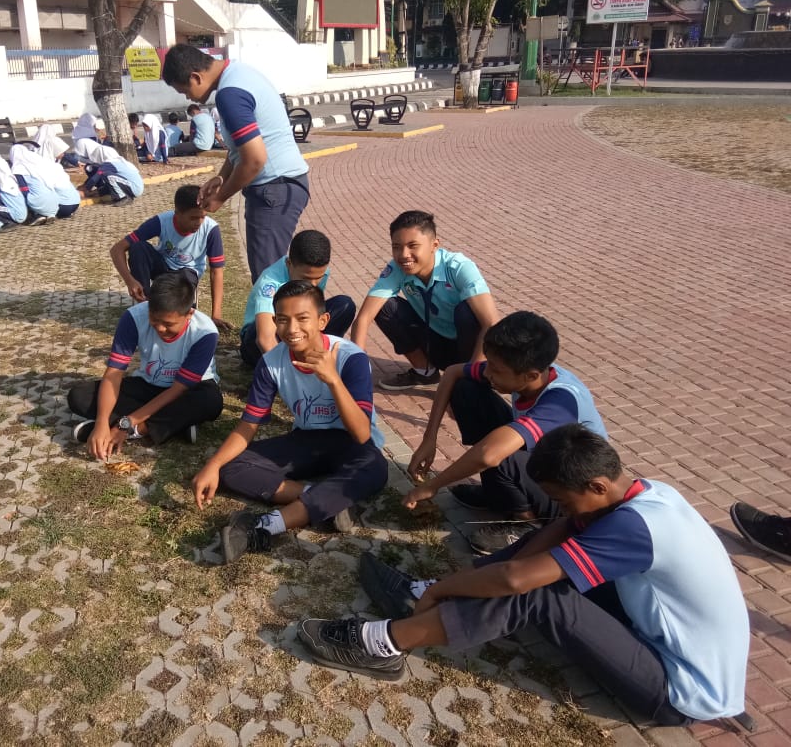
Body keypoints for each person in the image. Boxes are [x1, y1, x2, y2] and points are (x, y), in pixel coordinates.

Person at [297, 425, 750, 730]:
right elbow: (562, 528)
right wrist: (471, 584)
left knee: (536, 590)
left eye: (564, 499)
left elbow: (516, 581)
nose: (562, 509)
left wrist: (446, 586)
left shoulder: (635, 527)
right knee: (546, 553)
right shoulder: (645, 493)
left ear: (597, 485)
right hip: (657, 637)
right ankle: (424, 600)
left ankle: (385, 645)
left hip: (678, 689)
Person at [192, 280, 388, 564]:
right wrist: (212, 465)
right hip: (306, 439)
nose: (292, 328)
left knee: (375, 468)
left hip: (351, 443)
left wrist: (333, 380)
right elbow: (248, 425)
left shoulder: (351, 358)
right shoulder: (271, 362)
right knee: (232, 466)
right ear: (274, 322)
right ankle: (327, 500)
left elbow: (360, 434)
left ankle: (263, 526)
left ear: (322, 321)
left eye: (302, 318)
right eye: (283, 320)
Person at [405, 311, 607, 555]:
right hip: (543, 464)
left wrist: (433, 486)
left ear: (530, 376)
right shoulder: (523, 370)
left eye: (495, 369)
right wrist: (429, 439)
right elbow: (452, 373)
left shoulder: (561, 401)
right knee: (466, 389)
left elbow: (489, 454)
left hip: (571, 496)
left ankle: (526, 524)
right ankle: (498, 494)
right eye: (489, 364)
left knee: (500, 454)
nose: (487, 373)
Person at [162, 44, 311, 282]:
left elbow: (255, 159)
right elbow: (242, 148)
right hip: (282, 185)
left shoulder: (229, 94)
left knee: (267, 280)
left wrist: (221, 197)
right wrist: (221, 178)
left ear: (195, 77)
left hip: (274, 188)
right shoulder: (239, 73)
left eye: (185, 91)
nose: (188, 98)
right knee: (272, 275)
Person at [66, 272, 223, 456]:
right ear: (148, 306)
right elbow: (114, 374)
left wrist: (127, 424)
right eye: (154, 320)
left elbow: (178, 388)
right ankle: (176, 424)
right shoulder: (133, 318)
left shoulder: (205, 332)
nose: (161, 328)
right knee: (79, 396)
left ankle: (137, 430)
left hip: (187, 389)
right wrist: (101, 422)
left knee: (210, 401)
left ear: (189, 314)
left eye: (168, 324)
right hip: (149, 385)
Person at [351, 210, 500, 391]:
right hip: (434, 344)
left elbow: (491, 324)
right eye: (396, 246)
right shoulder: (397, 268)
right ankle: (425, 372)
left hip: (470, 348)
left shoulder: (458, 267)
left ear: (434, 245)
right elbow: (363, 318)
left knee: (467, 312)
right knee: (385, 306)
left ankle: (474, 376)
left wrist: (472, 376)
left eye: (413, 246)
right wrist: (356, 368)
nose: (404, 255)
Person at [109, 184, 226, 326]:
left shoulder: (211, 229)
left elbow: (216, 272)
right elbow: (117, 249)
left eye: (203, 217)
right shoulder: (161, 221)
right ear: (177, 213)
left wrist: (216, 315)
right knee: (138, 247)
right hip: (163, 269)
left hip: (187, 274)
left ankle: (184, 305)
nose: (199, 222)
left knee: (180, 318)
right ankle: (145, 305)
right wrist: (130, 281)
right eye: (193, 218)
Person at [239, 229, 355, 367]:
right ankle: (286, 365)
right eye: (306, 278)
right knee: (262, 329)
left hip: (297, 333)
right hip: (258, 342)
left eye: (318, 278)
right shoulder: (270, 283)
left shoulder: (318, 272)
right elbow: (264, 339)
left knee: (345, 305)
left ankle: (320, 357)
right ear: (289, 264)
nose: (313, 285)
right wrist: (289, 374)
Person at [74, 139, 144, 207]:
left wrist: (86, 189)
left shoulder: (109, 164)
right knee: (106, 180)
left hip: (134, 188)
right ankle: (119, 195)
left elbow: (97, 176)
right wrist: (91, 192)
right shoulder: (114, 162)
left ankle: (124, 198)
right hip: (133, 187)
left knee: (106, 175)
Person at [10, 144, 61, 225]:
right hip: (55, 202)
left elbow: (24, 190)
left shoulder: (18, 169)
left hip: (39, 202)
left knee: (20, 194)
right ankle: (50, 215)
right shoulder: (38, 165)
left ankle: (36, 215)